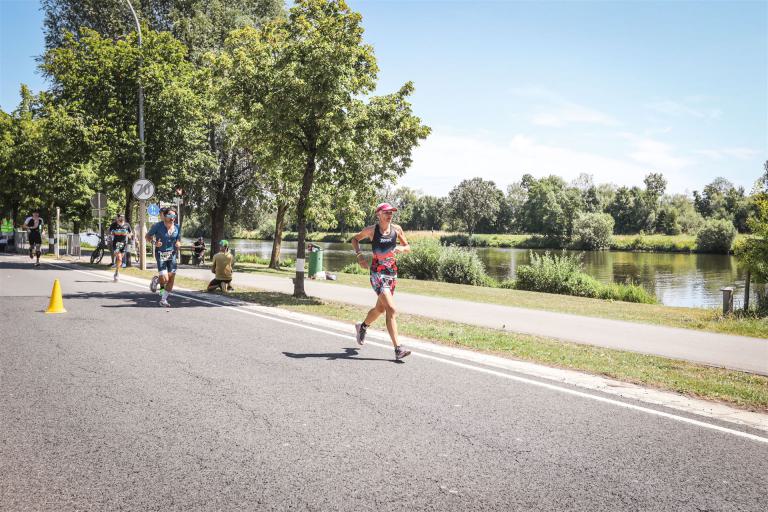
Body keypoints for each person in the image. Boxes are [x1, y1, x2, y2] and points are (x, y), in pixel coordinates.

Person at [350, 202, 412, 361]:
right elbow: (355, 239)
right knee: (391, 309)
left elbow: (407, 247)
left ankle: (362, 326)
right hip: (377, 273)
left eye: (391, 212)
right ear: (379, 214)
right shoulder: (371, 230)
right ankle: (398, 348)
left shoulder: (397, 229)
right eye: (386, 212)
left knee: (380, 309)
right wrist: (359, 256)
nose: (390, 215)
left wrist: (401, 248)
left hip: (392, 274)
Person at [146, 207, 181, 307]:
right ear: (165, 216)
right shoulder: (157, 226)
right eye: (170, 215)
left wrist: (178, 243)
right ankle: (157, 281)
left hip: (172, 255)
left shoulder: (177, 227)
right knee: (165, 279)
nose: (172, 217)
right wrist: (155, 243)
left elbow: (178, 239)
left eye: (174, 216)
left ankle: (163, 299)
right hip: (161, 254)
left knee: (171, 278)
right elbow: (147, 236)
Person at [108, 214, 132, 282]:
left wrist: (129, 235)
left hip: (124, 244)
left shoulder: (127, 225)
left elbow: (130, 233)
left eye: (123, 217)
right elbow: (109, 231)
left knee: (120, 259)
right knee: (119, 257)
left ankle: (117, 270)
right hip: (116, 244)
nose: (122, 218)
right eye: (120, 217)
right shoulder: (114, 224)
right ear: (118, 218)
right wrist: (111, 234)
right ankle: (117, 273)